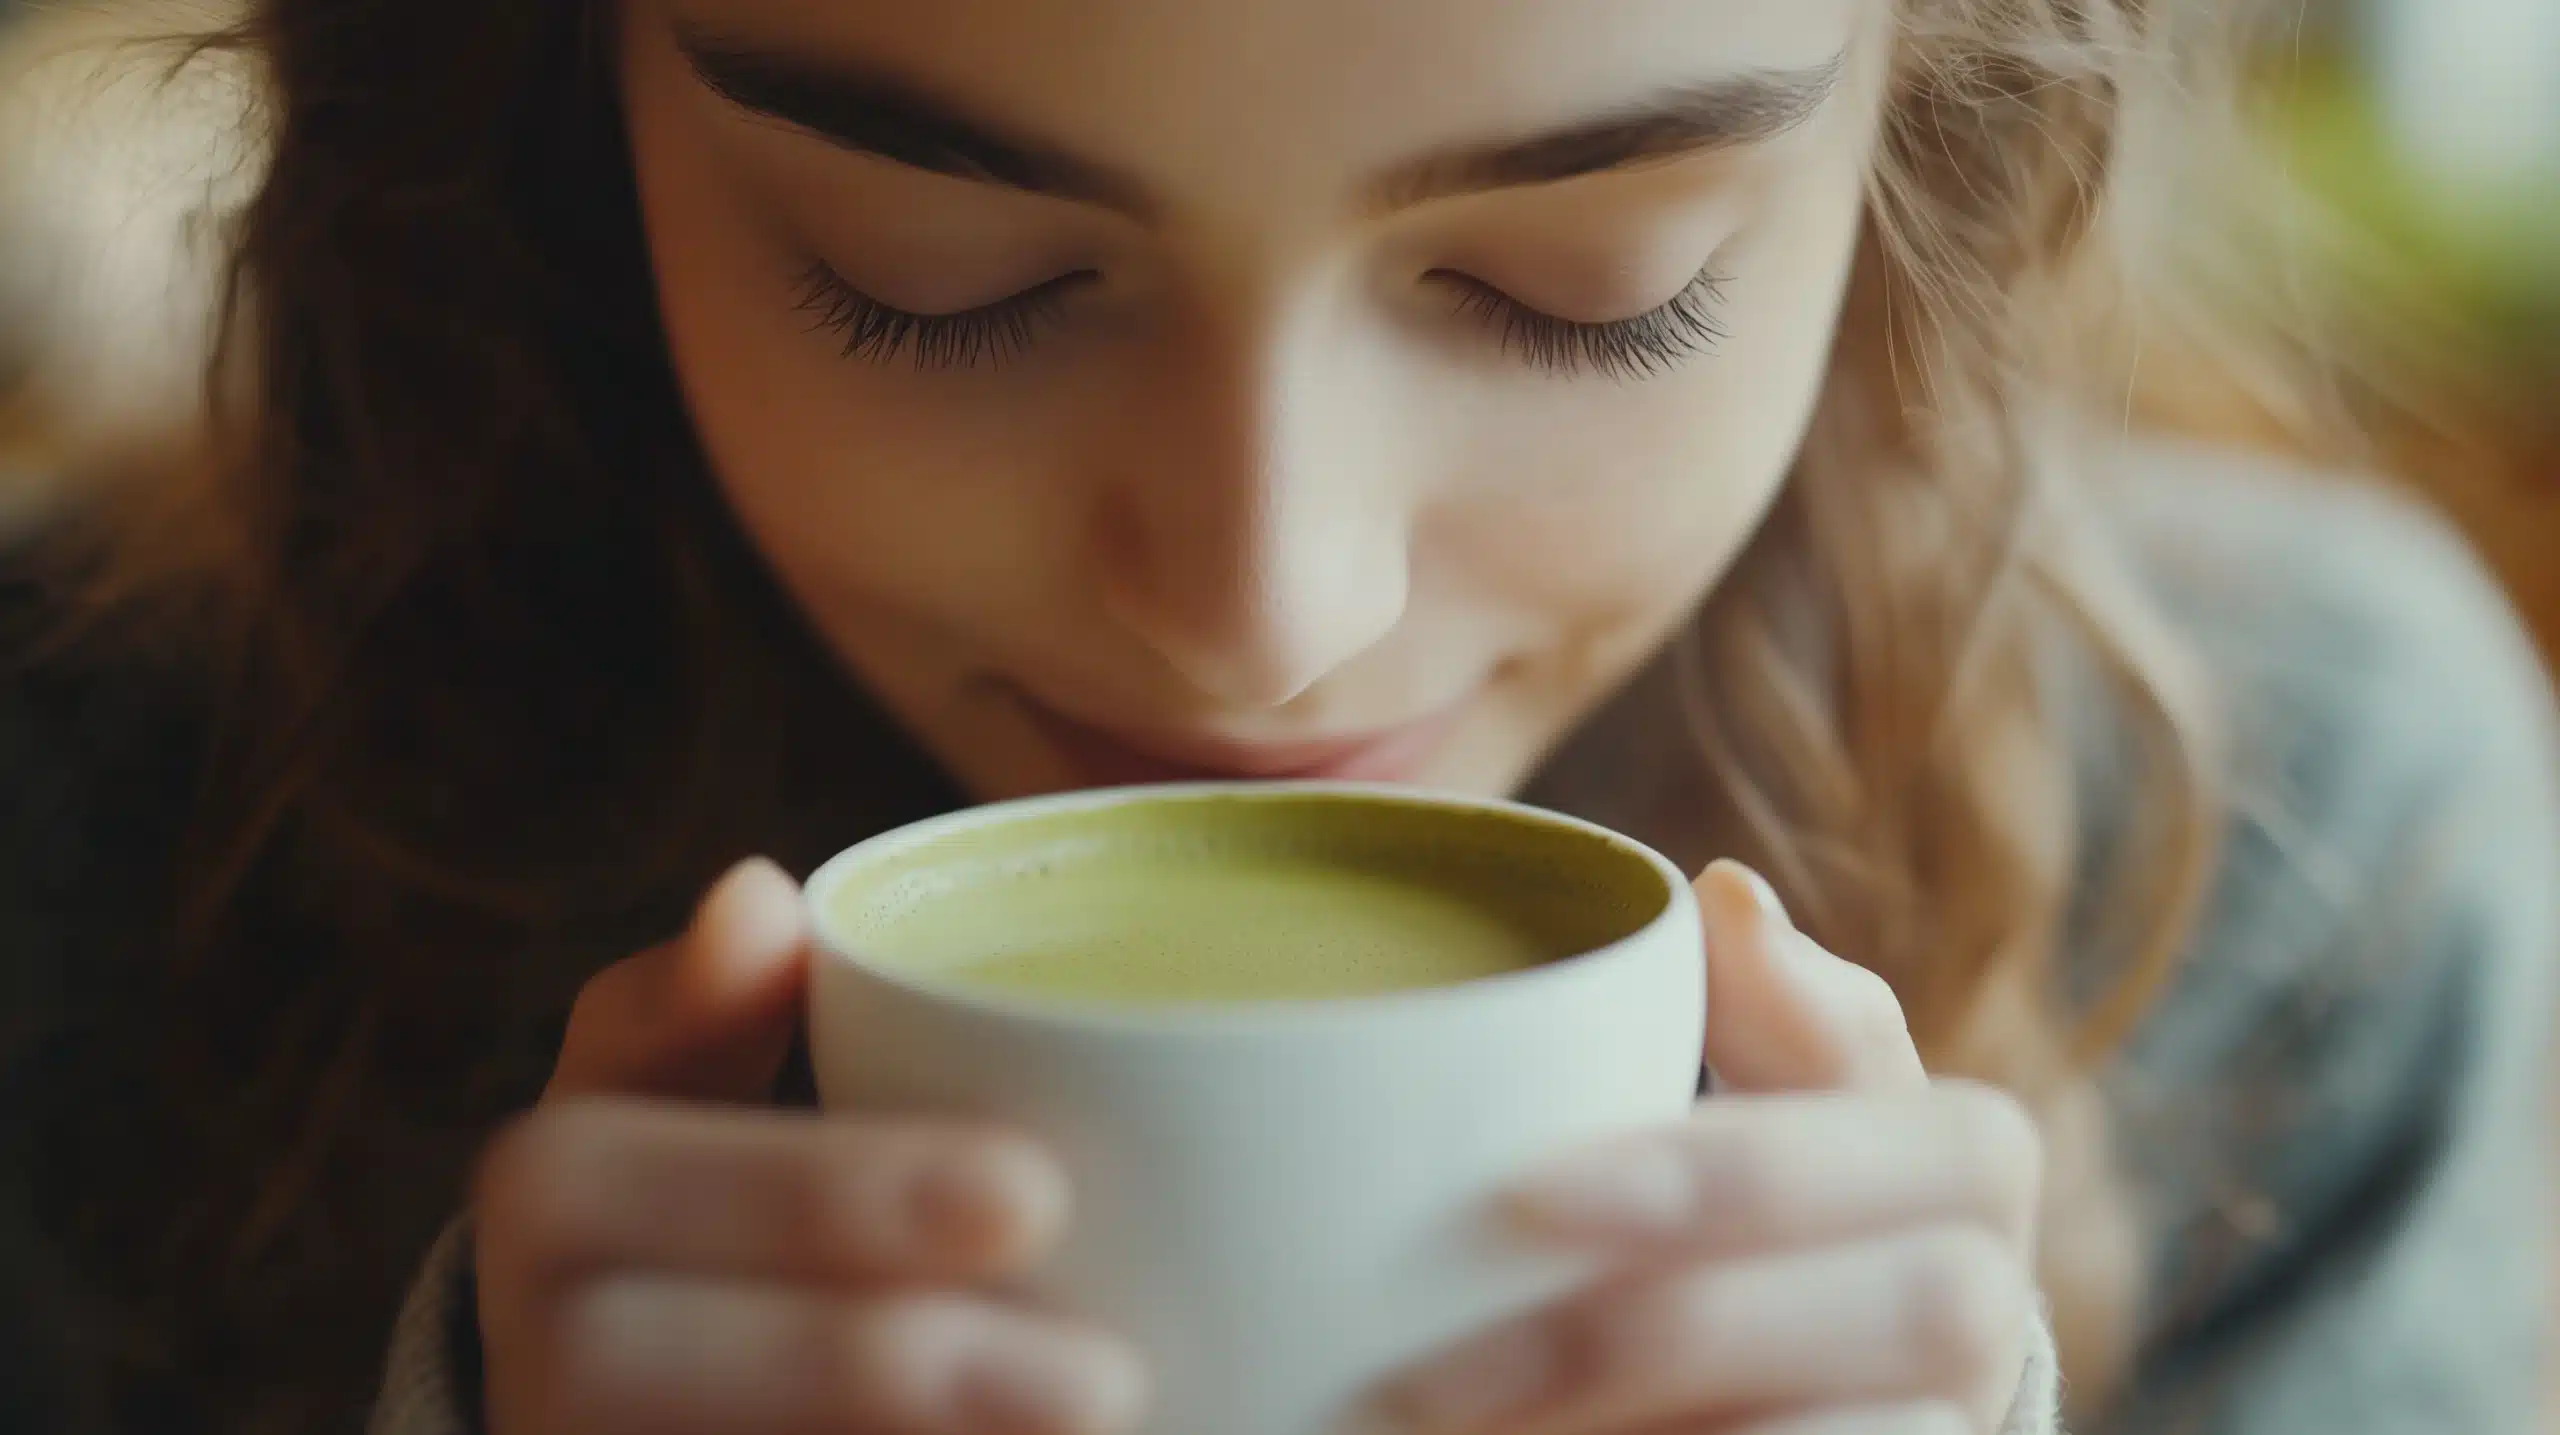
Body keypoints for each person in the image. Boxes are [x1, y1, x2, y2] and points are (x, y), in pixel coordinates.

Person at [1, 0, 2552, 1432]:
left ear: (1930, 125)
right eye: (934, 273)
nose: (1260, 618)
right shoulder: (84, 826)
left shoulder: (2318, 865)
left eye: (1588, 281)